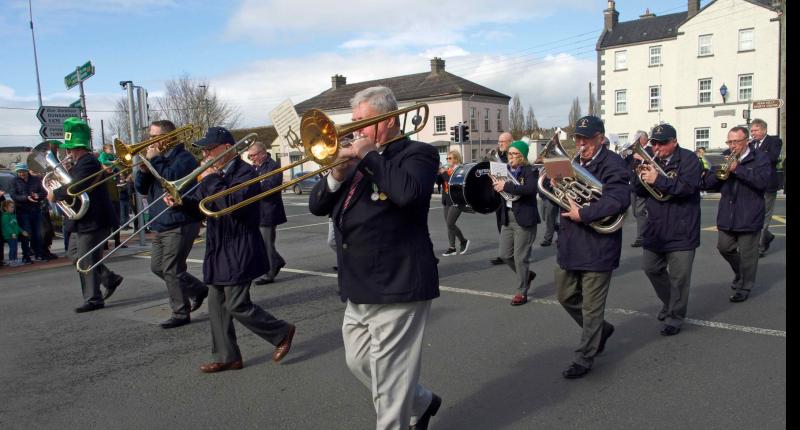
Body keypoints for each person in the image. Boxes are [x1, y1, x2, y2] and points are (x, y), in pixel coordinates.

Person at [309, 86, 442, 430]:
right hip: (358, 283)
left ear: (390, 120)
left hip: (398, 281)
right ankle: (423, 401)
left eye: (363, 122)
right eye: (353, 122)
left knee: (389, 381)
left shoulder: (418, 154)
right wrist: (336, 174)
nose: (354, 130)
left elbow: (408, 195)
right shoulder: (352, 161)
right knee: (360, 364)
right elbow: (316, 205)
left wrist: (370, 156)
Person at [167, 126, 295, 372]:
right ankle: (227, 356)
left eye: (208, 149)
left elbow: (230, 205)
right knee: (216, 304)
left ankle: (281, 332)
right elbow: (203, 207)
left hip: (240, 245)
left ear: (226, 149)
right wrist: (180, 203)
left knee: (236, 303)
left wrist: (212, 179)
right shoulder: (211, 174)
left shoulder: (245, 173)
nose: (204, 154)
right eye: (203, 150)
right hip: (218, 245)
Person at [554, 115, 630, 379]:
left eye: (586, 138)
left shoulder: (614, 164)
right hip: (571, 243)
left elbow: (618, 200)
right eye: (578, 138)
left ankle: (585, 356)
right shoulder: (572, 162)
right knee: (564, 296)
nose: (581, 143)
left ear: (600, 138)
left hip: (598, 245)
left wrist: (584, 214)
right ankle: (601, 329)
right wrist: (555, 184)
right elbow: (558, 197)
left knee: (591, 307)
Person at [134, 120, 209, 329]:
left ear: (166, 138)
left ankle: (180, 312)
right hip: (161, 221)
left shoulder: (183, 158)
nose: (149, 141)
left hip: (180, 220)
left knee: (171, 269)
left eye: (153, 136)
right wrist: (143, 170)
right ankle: (198, 289)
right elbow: (141, 189)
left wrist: (155, 161)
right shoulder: (156, 159)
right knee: (157, 267)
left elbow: (171, 180)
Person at [48, 117, 124, 313]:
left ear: (78, 148)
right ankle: (109, 278)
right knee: (73, 254)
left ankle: (93, 298)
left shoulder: (89, 161)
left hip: (93, 220)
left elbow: (76, 186)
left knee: (85, 260)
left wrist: (55, 193)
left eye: (70, 149)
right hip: (81, 220)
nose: (68, 153)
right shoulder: (79, 163)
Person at [634, 124, 702, 336]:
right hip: (656, 227)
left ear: (674, 141)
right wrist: (638, 174)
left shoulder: (690, 159)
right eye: (654, 143)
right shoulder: (651, 160)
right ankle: (670, 302)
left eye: (662, 143)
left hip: (682, 229)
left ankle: (675, 316)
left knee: (679, 278)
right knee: (650, 268)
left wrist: (658, 179)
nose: (657, 147)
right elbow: (638, 192)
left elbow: (687, 188)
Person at [701, 126, 770, 303]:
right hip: (727, 213)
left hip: (749, 212)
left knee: (748, 254)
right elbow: (709, 184)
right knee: (724, 247)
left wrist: (737, 169)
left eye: (736, 142)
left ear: (746, 141)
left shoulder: (759, 157)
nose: (732, 146)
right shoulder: (724, 155)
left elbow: (763, 182)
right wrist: (717, 175)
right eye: (729, 142)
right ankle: (740, 272)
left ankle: (745, 286)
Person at [493, 140, 540, 305]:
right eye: (509, 153)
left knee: (521, 258)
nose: (511, 157)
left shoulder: (530, 171)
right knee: (505, 255)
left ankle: (521, 291)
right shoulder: (503, 170)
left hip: (524, 220)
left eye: (515, 154)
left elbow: (530, 190)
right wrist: (495, 186)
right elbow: (500, 189)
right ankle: (527, 275)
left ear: (522, 156)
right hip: (508, 217)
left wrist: (505, 185)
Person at [247, 143, 288, 284]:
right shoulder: (254, 167)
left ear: (262, 153)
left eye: (253, 155)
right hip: (257, 211)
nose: (251, 159)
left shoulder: (273, 166)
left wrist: (253, 187)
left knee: (266, 244)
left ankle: (269, 274)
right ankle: (277, 261)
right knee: (260, 243)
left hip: (269, 210)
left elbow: (270, 186)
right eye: (250, 156)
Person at [749, 119, 783, 257]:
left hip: (768, 185)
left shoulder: (774, 141)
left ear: (764, 130)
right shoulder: (751, 144)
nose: (753, 133)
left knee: (765, 216)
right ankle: (766, 236)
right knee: (753, 215)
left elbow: (772, 158)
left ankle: (760, 248)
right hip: (753, 185)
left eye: (755, 130)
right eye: (751, 131)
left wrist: (752, 155)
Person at [10, 162, 47, 263]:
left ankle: (38, 254)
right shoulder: (14, 181)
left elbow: (44, 192)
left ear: (27, 171)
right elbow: (13, 195)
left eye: (23, 171)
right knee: (26, 234)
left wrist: (37, 195)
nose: (21, 174)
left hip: (36, 210)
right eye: (19, 172)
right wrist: (26, 198)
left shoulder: (35, 179)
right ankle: (26, 256)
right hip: (23, 211)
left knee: (38, 234)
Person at [439, 150, 469, 256]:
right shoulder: (448, 169)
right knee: (449, 225)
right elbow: (441, 182)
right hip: (446, 200)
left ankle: (463, 241)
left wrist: (443, 173)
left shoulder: (460, 170)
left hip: (456, 200)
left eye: (450, 158)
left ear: (456, 159)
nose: (447, 160)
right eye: (447, 158)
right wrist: (437, 174)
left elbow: (453, 182)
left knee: (450, 223)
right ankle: (452, 247)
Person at [490, 132, 513, 265]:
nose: (500, 144)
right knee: (501, 223)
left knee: (512, 225)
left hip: (511, 193)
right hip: (500, 195)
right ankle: (504, 252)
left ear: (510, 141)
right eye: (499, 142)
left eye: (502, 142)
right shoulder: (500, 155)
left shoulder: (514, 155)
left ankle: (514, 252)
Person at [625, 130, 650, 247]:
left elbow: (652, 163)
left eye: (637, 139)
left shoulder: (649, 150)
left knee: (640, 212)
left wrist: (641, 158)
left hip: (644, 187)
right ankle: (647, 231)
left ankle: (641, 237)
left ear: (643, 140)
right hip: (634, 186)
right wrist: (628, 154)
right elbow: (625, 161)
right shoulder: (633, 152)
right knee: (635, 212)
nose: (635, 142)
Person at [2, 200, 25, 266]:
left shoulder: (13, 216)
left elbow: (16, 225)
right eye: (11, 207)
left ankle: (15, 259)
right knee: (12, 248)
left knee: (15, 247)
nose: (13, 208)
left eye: (13, 207)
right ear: (5, 208)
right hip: (9, 236)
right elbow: (6, 226)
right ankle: (11, 260)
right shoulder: (5, 216)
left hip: (15, 235)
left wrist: (22, 231)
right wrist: (12, 233)